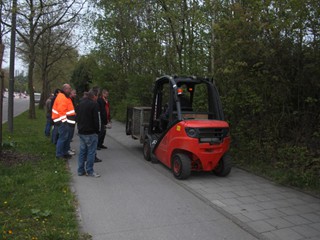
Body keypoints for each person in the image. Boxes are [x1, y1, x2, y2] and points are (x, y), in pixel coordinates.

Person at [76, 88, 101, 177]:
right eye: (97, 95)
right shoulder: (94, 105)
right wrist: (97, 130)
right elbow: (96, 119)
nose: (97, 97)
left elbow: (77, 117)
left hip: (82, 131)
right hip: (91, 132)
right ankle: (90, 171)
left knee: (82, 152)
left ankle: (80, 170)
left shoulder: (80, 103)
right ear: (94, 96)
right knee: (91, 152)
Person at [51, 84, 76, 159]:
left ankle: (64, 152)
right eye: (69, 89)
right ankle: (59, 154)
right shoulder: (62, 98)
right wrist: (64, 122)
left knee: (66, 138)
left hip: (64, 121)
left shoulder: (65, 97)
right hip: (62, 122)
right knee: (63, 138)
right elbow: (61, 111)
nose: (70, 90)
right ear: (65, 89)